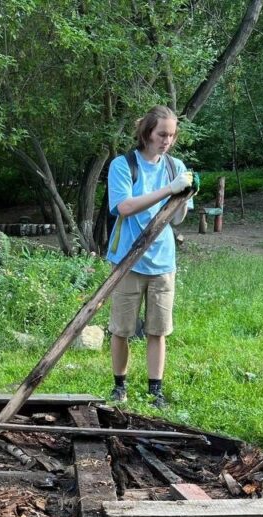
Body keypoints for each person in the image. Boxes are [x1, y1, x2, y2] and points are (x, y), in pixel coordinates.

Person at [105, 105, 194, 407]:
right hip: (128, 260)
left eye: (171, 135)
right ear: (146, 133)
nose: (166, 141)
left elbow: (178, 218)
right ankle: (120, 387)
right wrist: (169, 189)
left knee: (158, 329)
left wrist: (184, 196)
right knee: (122, 329)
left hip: (162, 261)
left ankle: (155, 390)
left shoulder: (176, 166)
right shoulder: (123, 165)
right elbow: (124, 207)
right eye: (161, 134)